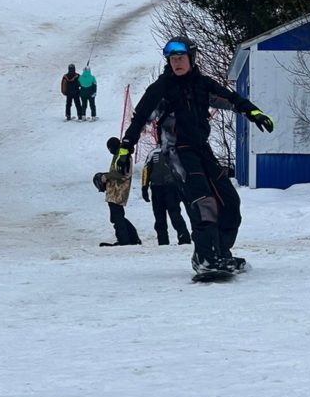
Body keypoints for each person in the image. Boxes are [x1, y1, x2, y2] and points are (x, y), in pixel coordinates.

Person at [112, 36, 274, 274]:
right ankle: (205, 258)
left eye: (181, 58)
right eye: (173, 59)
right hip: (176, 151)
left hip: (201, 148)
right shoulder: (161, 88)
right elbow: (139, 118)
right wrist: (126, 148)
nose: (177, 63)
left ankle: (219, 254)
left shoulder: (202, 84)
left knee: (229, 201)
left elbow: (231, 99)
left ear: (191, 58)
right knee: (202, 201)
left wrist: (254, 112)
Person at [93, 137, 141, 246]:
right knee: (118, 216)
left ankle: (124, 240)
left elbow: (120, 173)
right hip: (116, 190)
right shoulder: (121, 153)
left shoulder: (122, 155)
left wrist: (105, 176)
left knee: (117, 217)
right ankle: (133, 238)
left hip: (117, 191)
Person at [141, 145, 191, 245]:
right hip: (160, 188)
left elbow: (146, 170)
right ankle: (166, 240)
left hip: (169, 188)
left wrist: (144, 187)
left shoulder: (168, 152)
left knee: (172, 214)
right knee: (164, 215)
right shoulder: (156, 153)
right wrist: (144, 187)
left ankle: (182, 239)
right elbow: (146, 171)